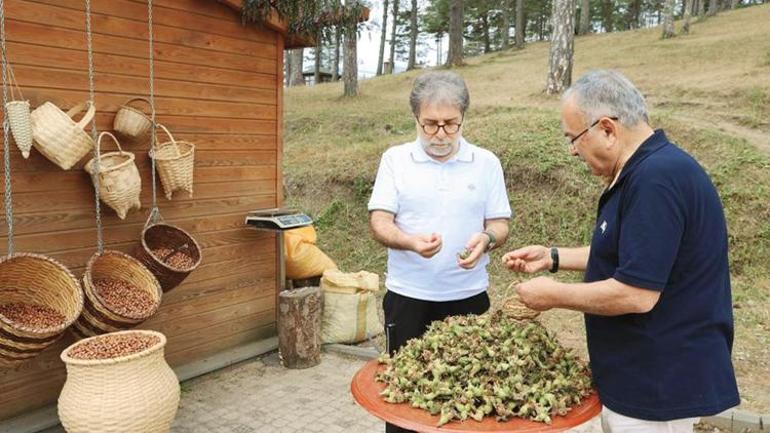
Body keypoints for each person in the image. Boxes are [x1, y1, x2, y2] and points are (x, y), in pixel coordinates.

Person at [502, 70, 740, 433]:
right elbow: (633, 254)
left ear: (608, 129)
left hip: (658, 384)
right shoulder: (648, 170)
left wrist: (553, 296)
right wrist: (553, 257)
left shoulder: (656, 179)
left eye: (574, 138)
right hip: (640, 373)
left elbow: (637, 293)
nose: (571, 150)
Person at [368, 71, 512, 433]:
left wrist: (486, 241)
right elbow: (380, 222)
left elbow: (499, 224)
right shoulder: (395, 160)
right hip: (408, 298)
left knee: (471, 396)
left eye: (451, 124)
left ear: (464, 117)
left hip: (469, 299)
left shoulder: (486, 163)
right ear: (416, 119)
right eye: (430, 124)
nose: (441, 134)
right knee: (404, 397)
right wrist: (410, 242)